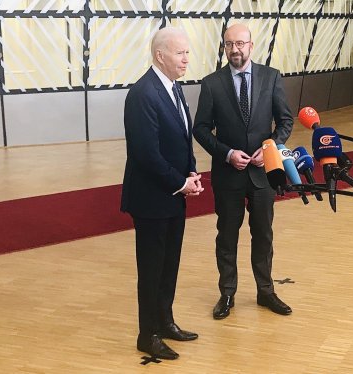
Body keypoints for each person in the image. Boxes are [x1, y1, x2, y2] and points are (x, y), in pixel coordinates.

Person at [193, 23, 293, 320]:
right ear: (224, 47)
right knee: (226, 235)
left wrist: (271, 148)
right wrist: (226, 153)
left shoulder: (271, 77)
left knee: (263, 234)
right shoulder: (211, 83)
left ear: (251, 45)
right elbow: (200, 129)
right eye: (228, 44)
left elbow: (285, 122)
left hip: (263, 175)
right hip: (228, 175)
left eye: (240, 44)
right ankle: (227, 294)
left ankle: (266, 291)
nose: (234, 49)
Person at [121, 27, 204, 360]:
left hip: (173, 195)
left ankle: (165, 322)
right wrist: (180, 182)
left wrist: (191, 172)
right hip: (152, 200)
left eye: (187, 52)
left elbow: (182, 140)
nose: (186, 58)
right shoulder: (143, 94)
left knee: (169, 265)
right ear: (160, 55)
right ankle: (148, 334)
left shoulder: (173, 87)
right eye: (180, 53)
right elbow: (146, 153)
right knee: (152, 269)